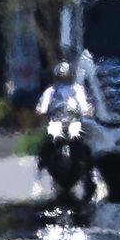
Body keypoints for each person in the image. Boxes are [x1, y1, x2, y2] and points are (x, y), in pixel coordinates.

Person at [34, 61, 95, 192]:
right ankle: (38, 178)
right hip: (56, 122)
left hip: (73, 121)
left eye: (67, 75)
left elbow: (83, 105)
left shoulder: (78, 89)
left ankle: (92, 177)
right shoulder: (50, 91)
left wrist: (88, 111)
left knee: (85, 145)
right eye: (62, 76)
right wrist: (40, 111)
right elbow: (44, 107)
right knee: (46, 145)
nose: (65, 78)